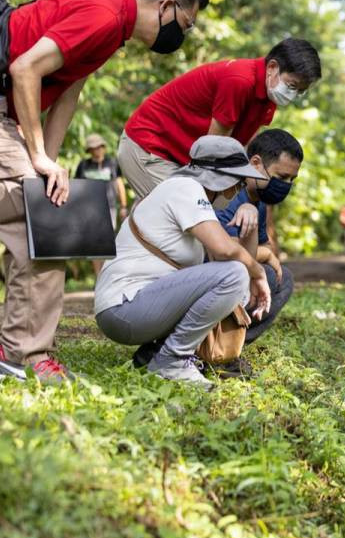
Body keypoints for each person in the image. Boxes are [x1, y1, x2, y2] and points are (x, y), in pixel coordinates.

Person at [0, 0, 210, 383]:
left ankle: (17, 353)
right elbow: (25, 71)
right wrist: (36, 153)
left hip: (1, 111)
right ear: (165, 6)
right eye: (186, 23)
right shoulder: (105, 16)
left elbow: (67, 92)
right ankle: (25, 358)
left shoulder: (112, 22)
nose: (185, 33)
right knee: (45, 232)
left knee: (42, 213)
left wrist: (45, 166)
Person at [94, 136, 270, 388]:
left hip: (139, 308)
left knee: (234, 276)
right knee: (234, 274)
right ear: (221, 179)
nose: (240, 190)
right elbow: (225, 252)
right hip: (125, 307)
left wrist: (251, 224)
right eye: (238, 182)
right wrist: (258, 274)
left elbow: (233, 257)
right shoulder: (185, 188)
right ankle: (172, 360)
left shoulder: (194, 205)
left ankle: (156, 355)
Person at [118, 37, 321, 206]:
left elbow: (249, 146)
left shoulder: (268, 97)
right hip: (150, 146)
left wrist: (254, 190)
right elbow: (211, 151)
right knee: (186, 216)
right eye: (292, 86)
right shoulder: (240, 80)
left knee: (190, 219)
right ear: (272, 67)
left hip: (182, 157)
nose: (293, 95)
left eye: (300, 91)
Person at [212, 129, 300, 374]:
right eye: (281, 176)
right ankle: (206, 346)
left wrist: (263, 256)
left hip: (232, 274)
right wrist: (263, 256)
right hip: (206, 275)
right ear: (255, 163)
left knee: (281, 278)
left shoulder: (258, 199)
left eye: (291, 180)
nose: (285, 185)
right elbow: (222, 250)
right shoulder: (228, 194)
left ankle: (229, 346)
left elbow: (262, 247)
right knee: (265, 273)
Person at [75, 133, 127, 274]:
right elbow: (77, 188)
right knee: (93, 243)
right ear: (89, 150)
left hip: (109, 207)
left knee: (107, 241)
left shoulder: (112, 163)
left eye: (99, 147)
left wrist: (123, 206)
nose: (96, 150)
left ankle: (107, 275)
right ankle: (99, 276)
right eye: (93, 148)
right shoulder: (83, 165)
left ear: (103, 148)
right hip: (89, 210)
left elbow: (119, 184)